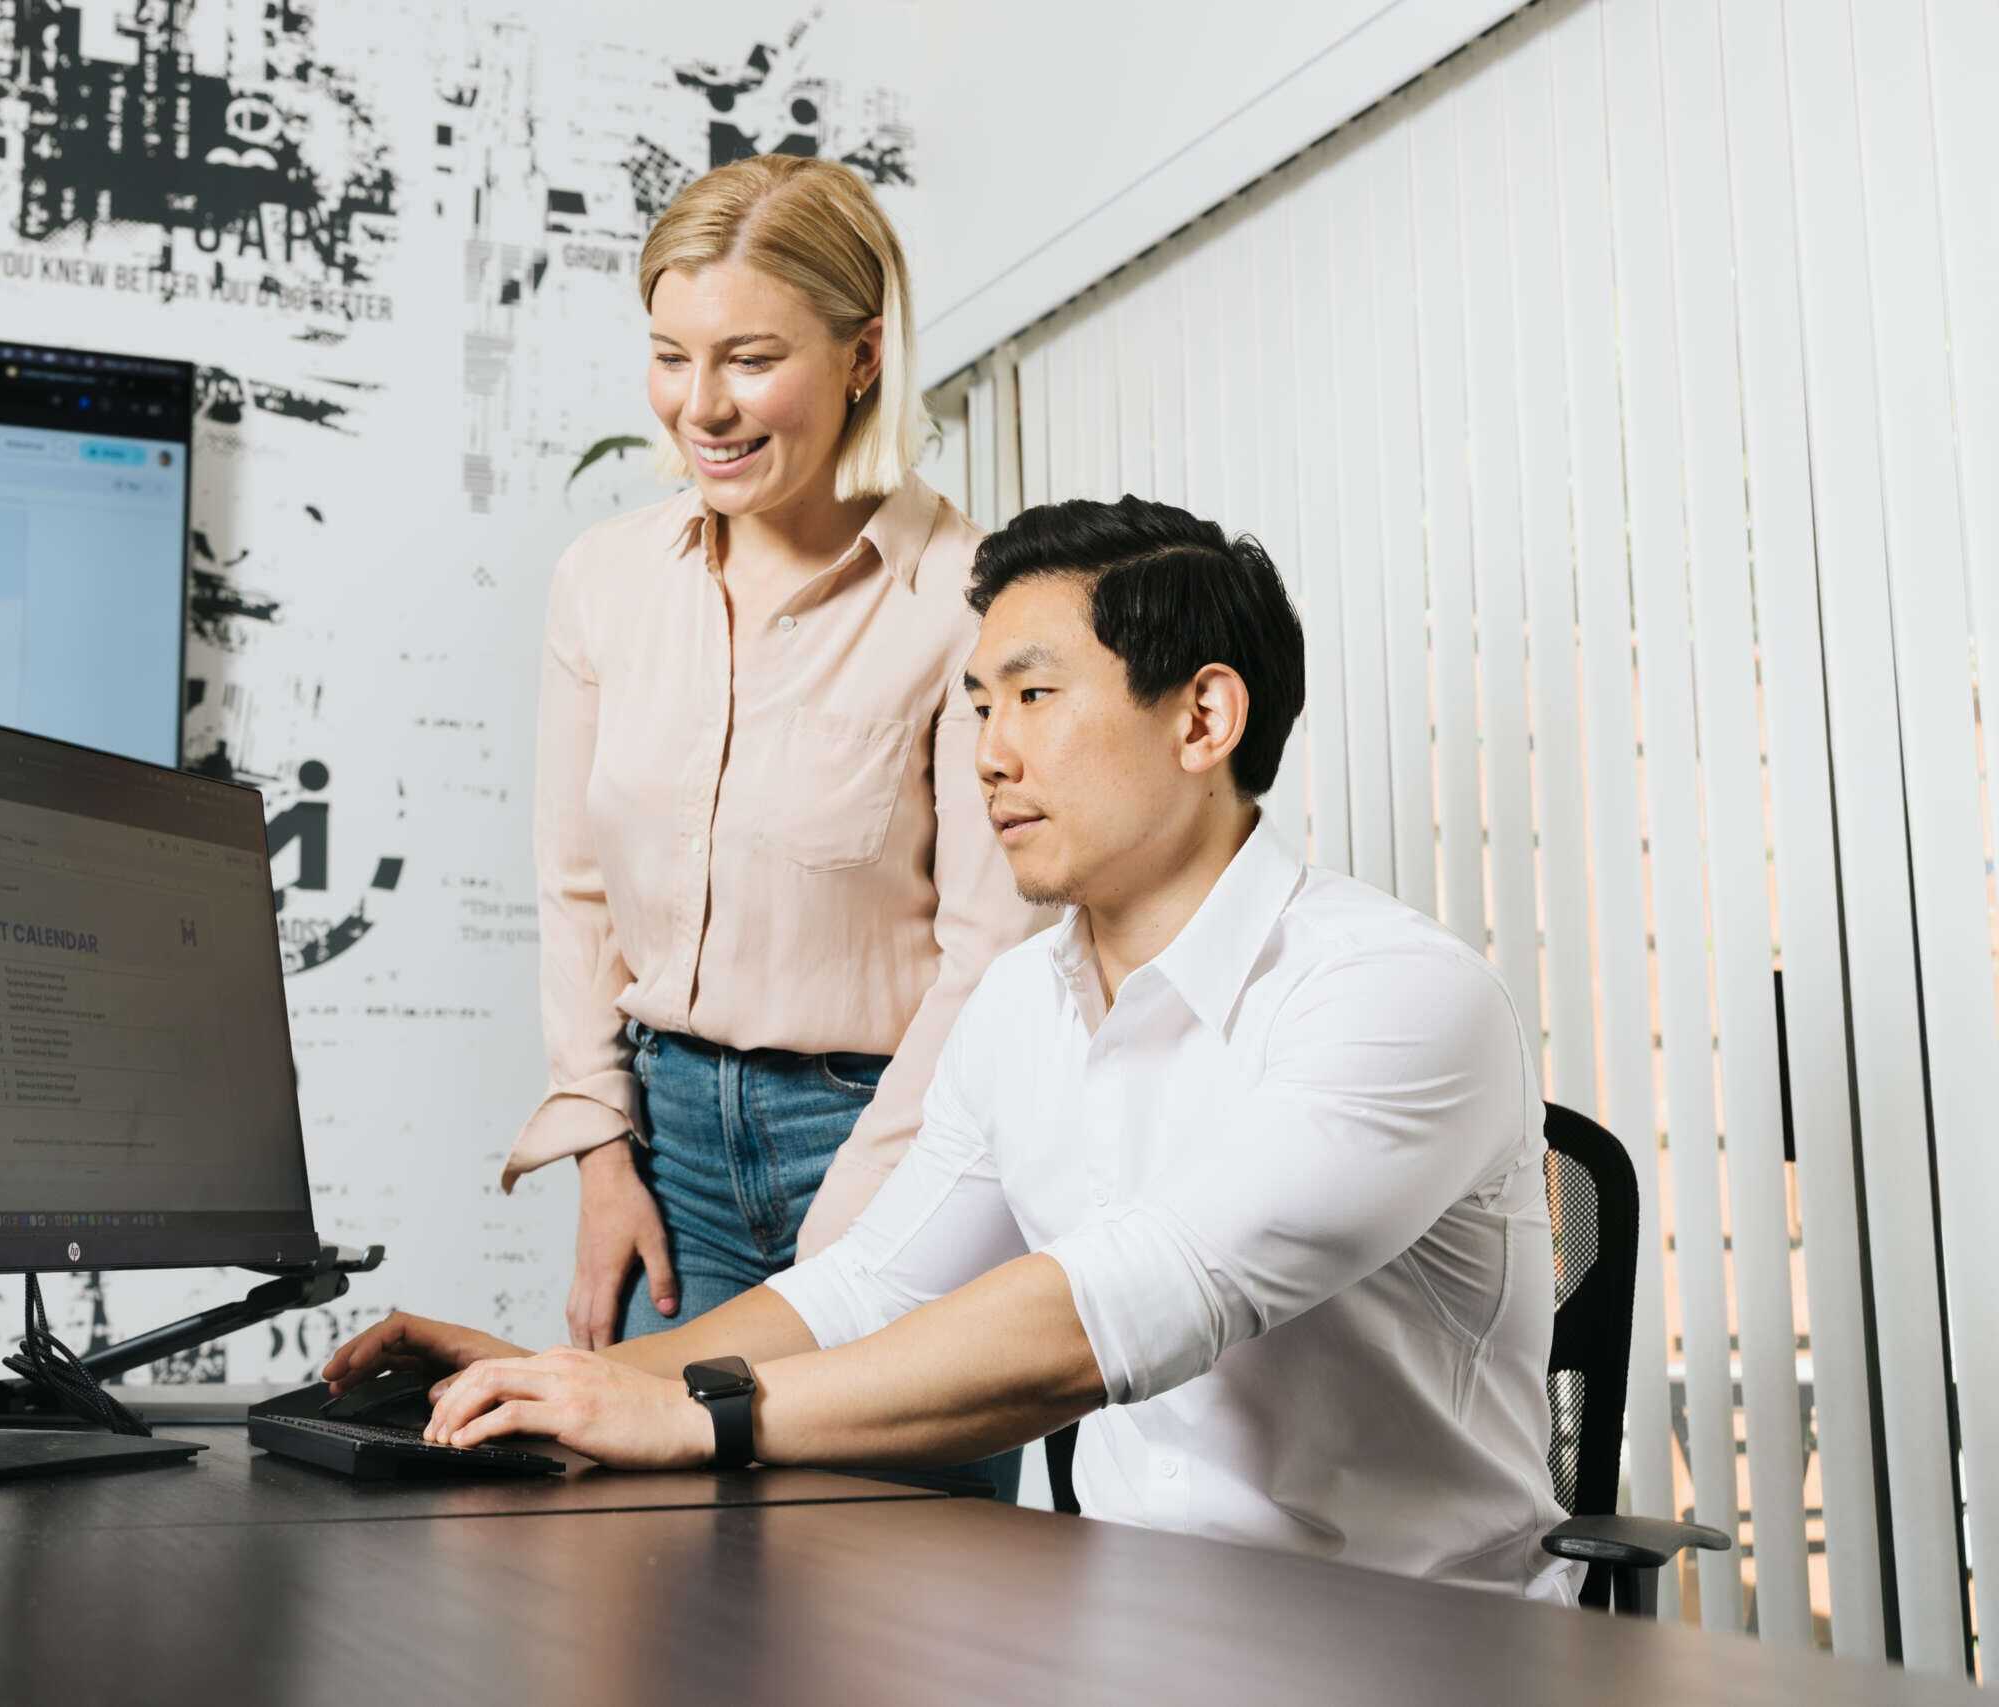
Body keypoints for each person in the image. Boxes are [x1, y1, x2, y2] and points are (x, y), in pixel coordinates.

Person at [332, 496, 1576, 1601]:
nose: (988, 753)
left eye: (1034, 697)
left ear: (1202, 717)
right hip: (1133, 1621)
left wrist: (687, 1414)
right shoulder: (1024, 1001)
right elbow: (868, 1291)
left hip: (1412, 1647)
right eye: (977, 705)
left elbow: (1117, 1313)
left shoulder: (1396, 996)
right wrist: (562, 1386)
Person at [507, 152, 1047, 1394]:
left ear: (863, 357)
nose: (701, 406)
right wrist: (601, 1154)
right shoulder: (604, 580)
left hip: (902, 1138)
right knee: (647, 1561)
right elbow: (575, 886)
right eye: (671, 355)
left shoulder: (976, 600)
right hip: (668, 1148)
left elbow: (990, 958)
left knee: (897, 1569)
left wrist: (860, 1237)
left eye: (751, 359)